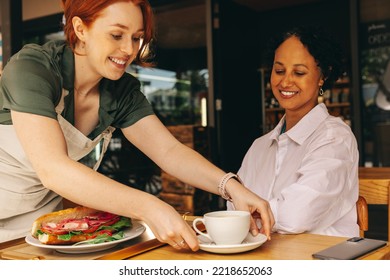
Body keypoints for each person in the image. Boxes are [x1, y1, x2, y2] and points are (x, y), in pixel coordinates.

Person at [0, 0, 274, 248]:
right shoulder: (32, 69)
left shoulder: (120, 90)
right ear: (80, 29)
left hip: (37, 221)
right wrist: (149, 206)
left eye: (137, 38)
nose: (129, 50)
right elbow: (53, 169)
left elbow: (169, 152)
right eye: (116, 35)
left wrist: (232, 187)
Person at [228, 26, 359, 237]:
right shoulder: (259, 147)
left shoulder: (334, 138)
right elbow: (233, 207)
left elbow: (297, 216)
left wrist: (251, 215)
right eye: (279, 70)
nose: (285, 81)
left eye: (299, 72)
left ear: (322, 77)